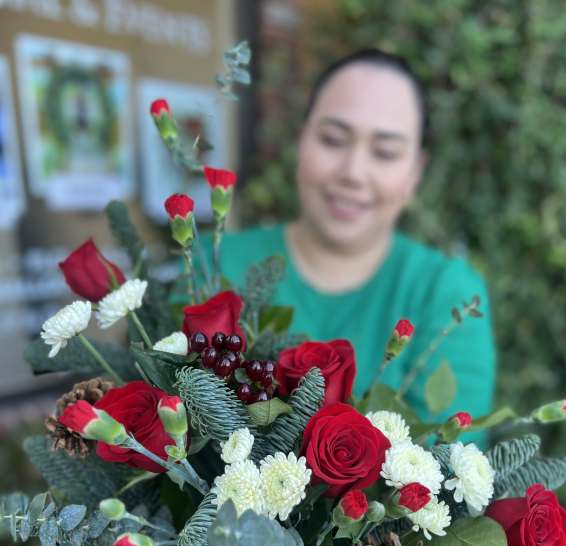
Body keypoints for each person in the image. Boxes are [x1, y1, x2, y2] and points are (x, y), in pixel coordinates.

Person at [198, 49, 495, 438]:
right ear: (302, 140)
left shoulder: (446, 293)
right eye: (333, 139)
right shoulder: (213, 264)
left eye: (385, 152)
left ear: (415, 172)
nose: (353, 173)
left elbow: (450, 458)